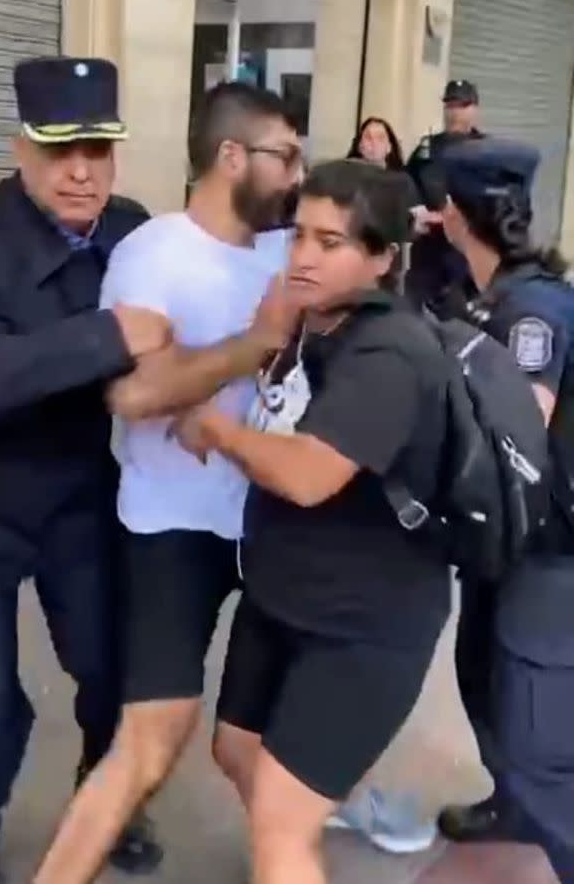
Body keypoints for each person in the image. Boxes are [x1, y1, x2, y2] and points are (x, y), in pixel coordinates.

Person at [0, 57, 170, 884]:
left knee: (109, 665)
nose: (81, 170)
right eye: (59, 150)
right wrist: (112, 335)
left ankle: (107, 790)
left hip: (80, 499)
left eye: (97, 148)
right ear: (21, 149)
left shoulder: (133, 230)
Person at [34, 81, 303, 884]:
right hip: (171, 529)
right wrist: (253, 344)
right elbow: (134, 394)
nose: (297, 173)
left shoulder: (287, 249)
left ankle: (288, 859)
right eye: (284, 155)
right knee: (150, 732)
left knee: (258, 740)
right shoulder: (153, 252)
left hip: (270, 522)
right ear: (230, 156)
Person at [170, 160, 451, 884]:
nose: (303, 256)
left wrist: (217, 431)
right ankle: (302, 823)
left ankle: (291, 841)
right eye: (299, 235)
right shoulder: (311, 325)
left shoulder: (390, 352)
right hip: (284, 599)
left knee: (279, 824)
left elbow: (307, 475)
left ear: (384, 258)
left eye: (331, 243)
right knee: (237, 750)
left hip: (363, 626)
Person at [434, 137, 574, 884]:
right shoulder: (497, 295)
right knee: (481, 673)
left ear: (454, 215)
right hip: (510, 541)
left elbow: (520, 432)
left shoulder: (533, 310)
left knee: (538, 735)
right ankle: (511, 806)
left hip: (550, 550)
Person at [405, 80, 485, 319]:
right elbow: (407, 181)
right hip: (429, 250)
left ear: (474, 110)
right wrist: (416, 210)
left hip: (464, 254)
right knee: (416, 319)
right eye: (450, 106)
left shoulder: (486, 150)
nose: (454, 113)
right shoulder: (428, 147)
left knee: (458, 323)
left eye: (461, 106)